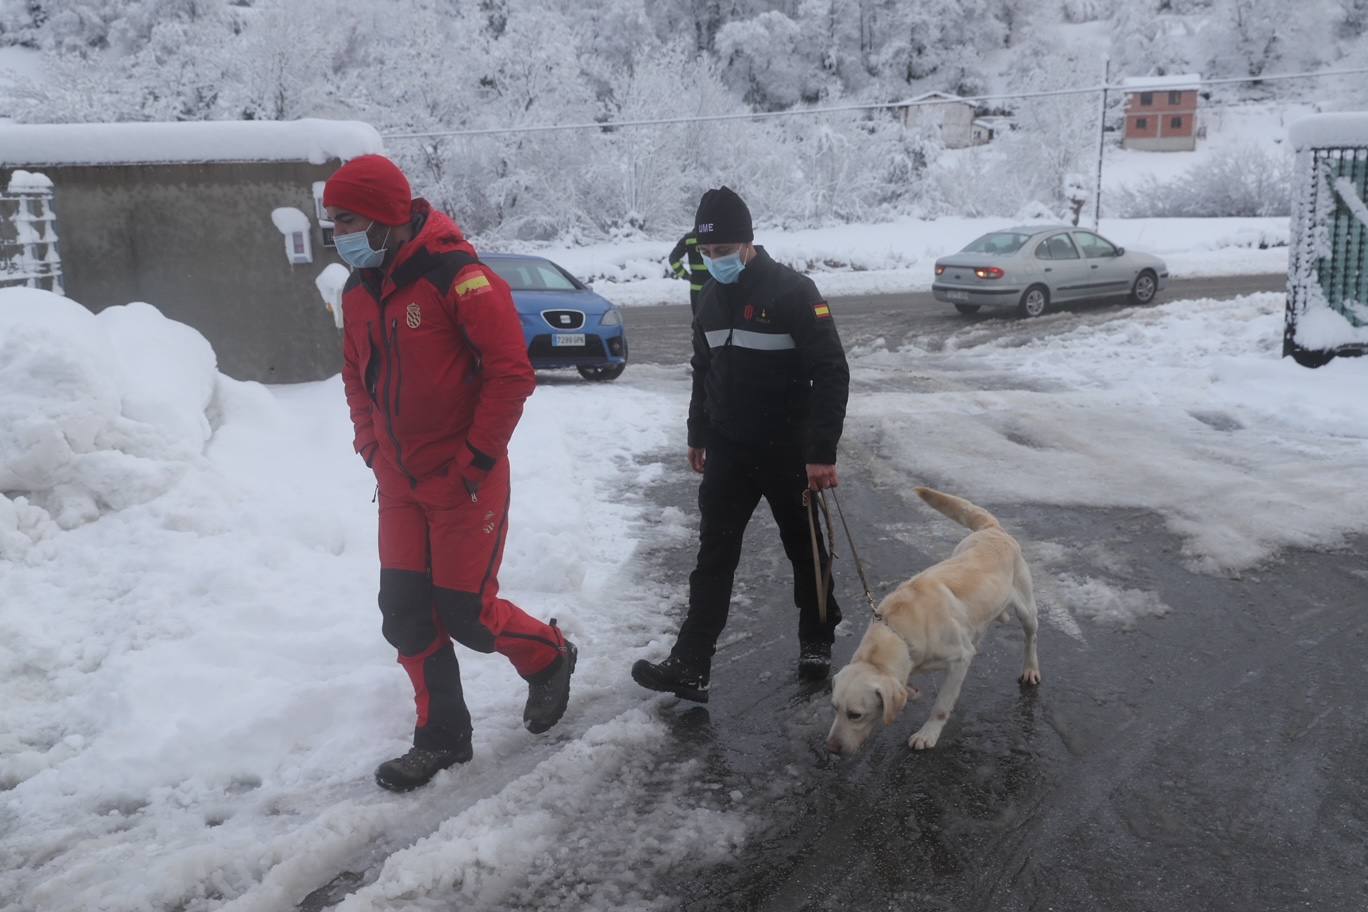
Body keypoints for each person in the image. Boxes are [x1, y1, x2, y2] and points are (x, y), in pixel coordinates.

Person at [326, 154, 576, 792]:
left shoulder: (460, 279)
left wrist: (475, 462)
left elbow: (511, 374)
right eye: (332, 223)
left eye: (348, 221)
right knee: (404, 611)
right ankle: (443, 736)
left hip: (465, 480)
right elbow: (357, 376)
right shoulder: (359, 291)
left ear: (385, 219)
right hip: (401, 484)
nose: (339, 235)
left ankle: (550, 657)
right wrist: (370, 446)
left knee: (467, 613)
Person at [631, 186, 850, 703]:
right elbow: (703, 369)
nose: (714, 261)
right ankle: (691, 663)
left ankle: (816, 636)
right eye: (706, 254)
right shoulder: (708, 297)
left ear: (747, 243)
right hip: (729, 450)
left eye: (722, 251)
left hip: (788, 450)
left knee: (806, 549)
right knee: (713, 556)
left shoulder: (793, 292)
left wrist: (821, 452)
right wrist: (697, 432)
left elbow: (832, 371)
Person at [667, 228, 707, 314]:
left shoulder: (689, 238)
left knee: (699, 321)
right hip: (717, 288)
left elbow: (673, 258)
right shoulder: (718, 235)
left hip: (696, 290)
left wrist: (685, 275)